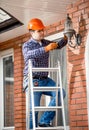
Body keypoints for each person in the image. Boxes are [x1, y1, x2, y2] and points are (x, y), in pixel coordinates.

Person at [22, 18, 68, 129]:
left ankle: (44, 121)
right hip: (33, 80)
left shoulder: (45, 42)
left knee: (60, 93)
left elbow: (58, 45)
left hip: (45, 79)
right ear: (32, 32)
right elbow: (28, 55)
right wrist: (46, 49)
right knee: (34, 111)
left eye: (42, 30)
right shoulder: (27, 45)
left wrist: (66, 38)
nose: (42, 32)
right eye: (39, 31)